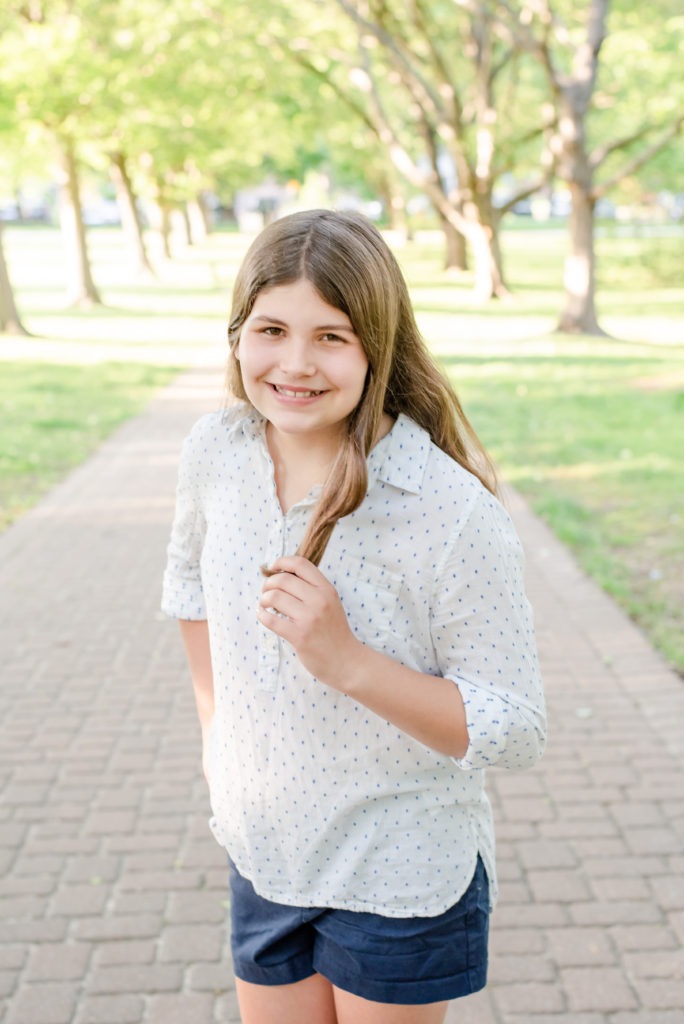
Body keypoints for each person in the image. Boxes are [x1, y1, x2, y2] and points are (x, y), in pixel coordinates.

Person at [162, 209, 546, 1024]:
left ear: (378, 346)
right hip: (265, 848)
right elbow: (190, 590)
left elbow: (513, 726)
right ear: (237, 334)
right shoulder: (216, 451)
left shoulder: (446, 509)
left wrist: (349, 664)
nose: (295, 364)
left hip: (400, 866)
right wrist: (214, 739)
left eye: (331, 337)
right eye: (271, 329)